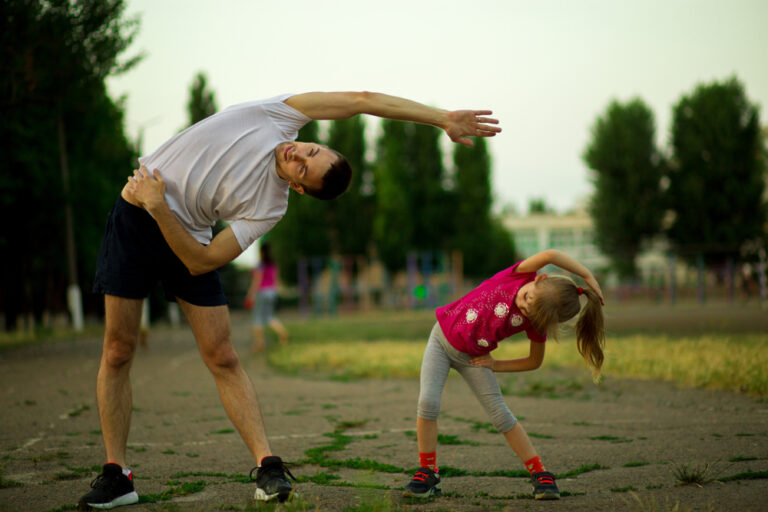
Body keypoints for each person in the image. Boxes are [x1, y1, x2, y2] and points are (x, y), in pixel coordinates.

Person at [80, 91, 501, 510]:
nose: (295, 153)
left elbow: (199, 261)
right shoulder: (276, 117)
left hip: (186, 233)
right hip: (135, 215)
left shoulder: (269, 207)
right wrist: (442, 117)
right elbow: (362, 100)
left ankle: (268, 467)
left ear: (299, 187)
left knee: (223, 355)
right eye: (309, 149)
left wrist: (162, 207)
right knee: (118, 349)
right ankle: (117, 475)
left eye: (303, 166)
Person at [403, 249, 605, 501]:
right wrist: (586, 274)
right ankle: (428, 471)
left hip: (474, 358)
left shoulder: (536, 320)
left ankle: (540, 473)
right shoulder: (518, 275)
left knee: (500, 415)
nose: (523, 304)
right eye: (527, 298)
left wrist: (495, 364)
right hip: (441, 340)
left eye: (529, 310)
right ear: (539, 280)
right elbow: (551, 254)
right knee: (428, 402)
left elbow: (534, 361)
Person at [246, 243, 288, 353]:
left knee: (257, 318)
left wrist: (251, 295)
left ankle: (259, 344)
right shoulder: (273, 265)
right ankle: (283, 333)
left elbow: (257, 281)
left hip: (262, 292)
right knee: (269, 317)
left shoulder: (261, 265)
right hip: (272, 292)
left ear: (261, 252)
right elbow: (276, 281)